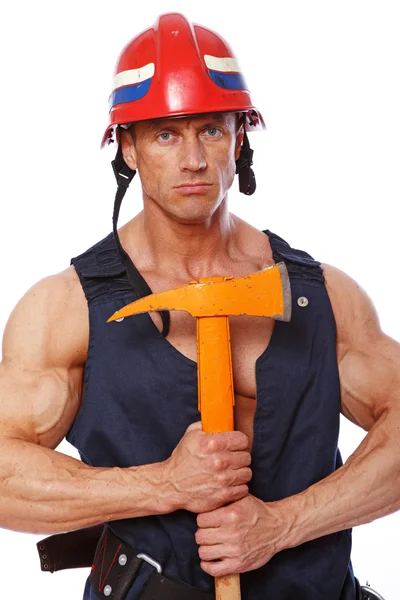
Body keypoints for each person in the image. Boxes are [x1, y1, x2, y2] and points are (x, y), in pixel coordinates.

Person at [0, 11, 398, 600]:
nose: (194, 159)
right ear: (128, 147)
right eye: (165, 134)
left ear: (239, 136)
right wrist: (164, 485)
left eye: (211, 129)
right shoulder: (64, 308)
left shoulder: (324, 295)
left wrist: (284, 525)